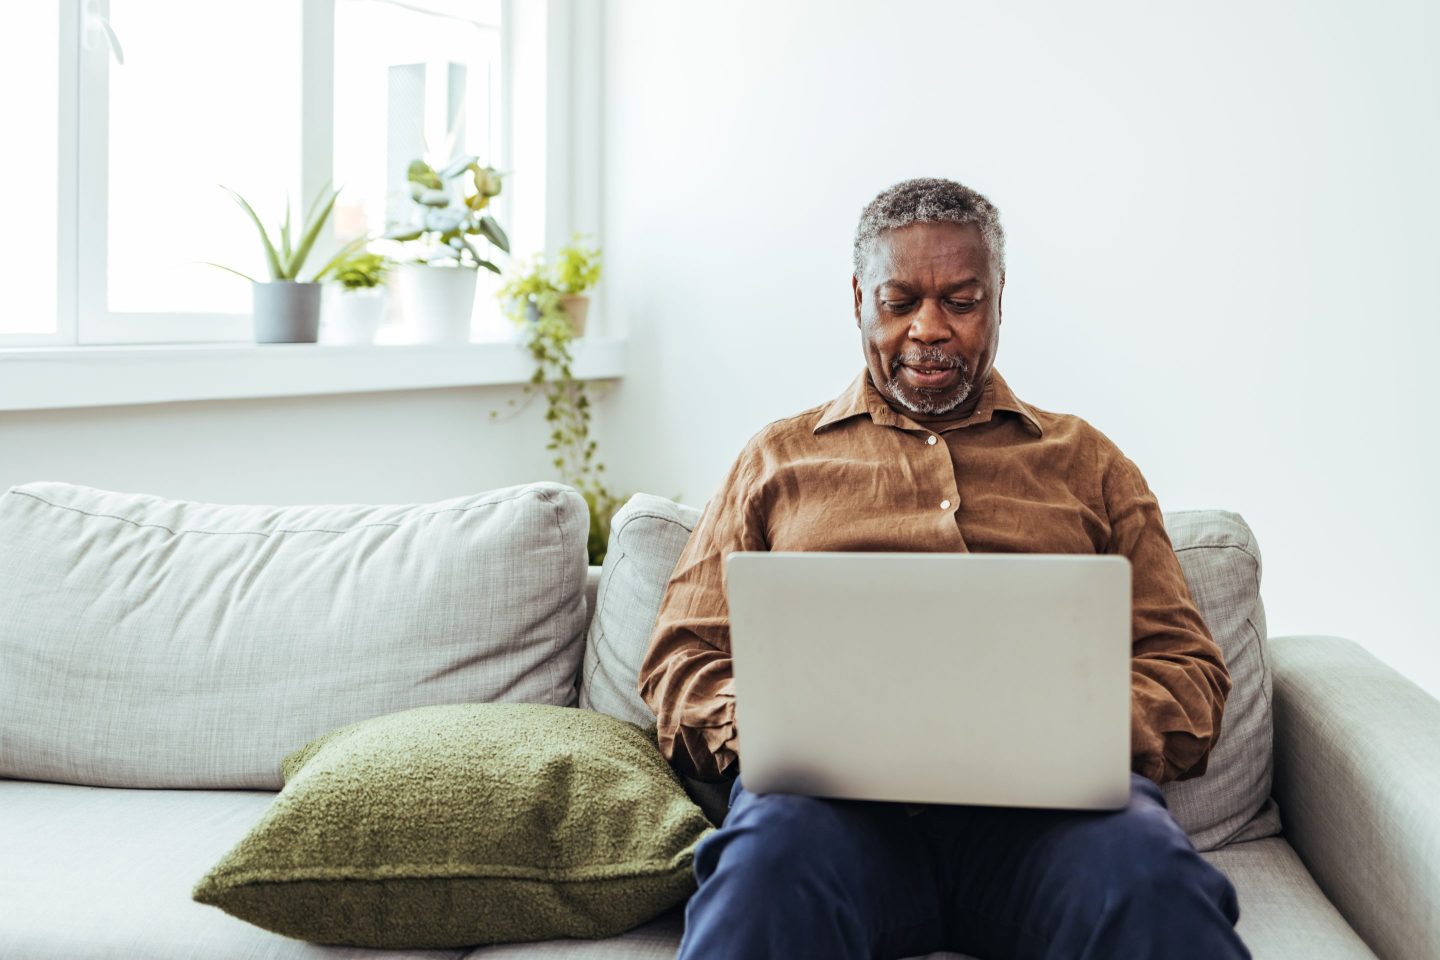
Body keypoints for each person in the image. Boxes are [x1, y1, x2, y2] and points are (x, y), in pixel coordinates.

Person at [637, 178, 1250, 960]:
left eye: (961, 301)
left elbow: (1186, 668)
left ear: (999, 300)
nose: (930, 329)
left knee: (1154, 881)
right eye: (899, 302)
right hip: (829, 823)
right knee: (763, 872)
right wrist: (767, 726)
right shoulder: (776, 461)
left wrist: (1075, 732)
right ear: (860, 298)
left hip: (1051, 826)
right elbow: (679, 660)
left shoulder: (1087, 463)